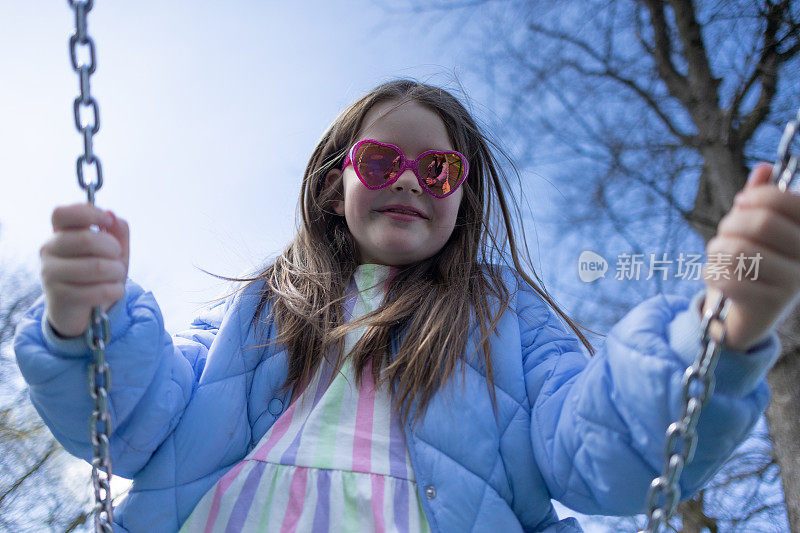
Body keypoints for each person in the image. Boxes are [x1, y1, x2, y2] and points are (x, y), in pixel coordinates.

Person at [13, 79, 800, 533]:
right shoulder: (265, 302)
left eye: (440, 167)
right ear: (335, 183)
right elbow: (145, 419)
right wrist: (90, 324)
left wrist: (711, 336)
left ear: (462, 194)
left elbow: (590, 441)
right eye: (382, 159)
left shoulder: (502, 312)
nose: (412, 179)